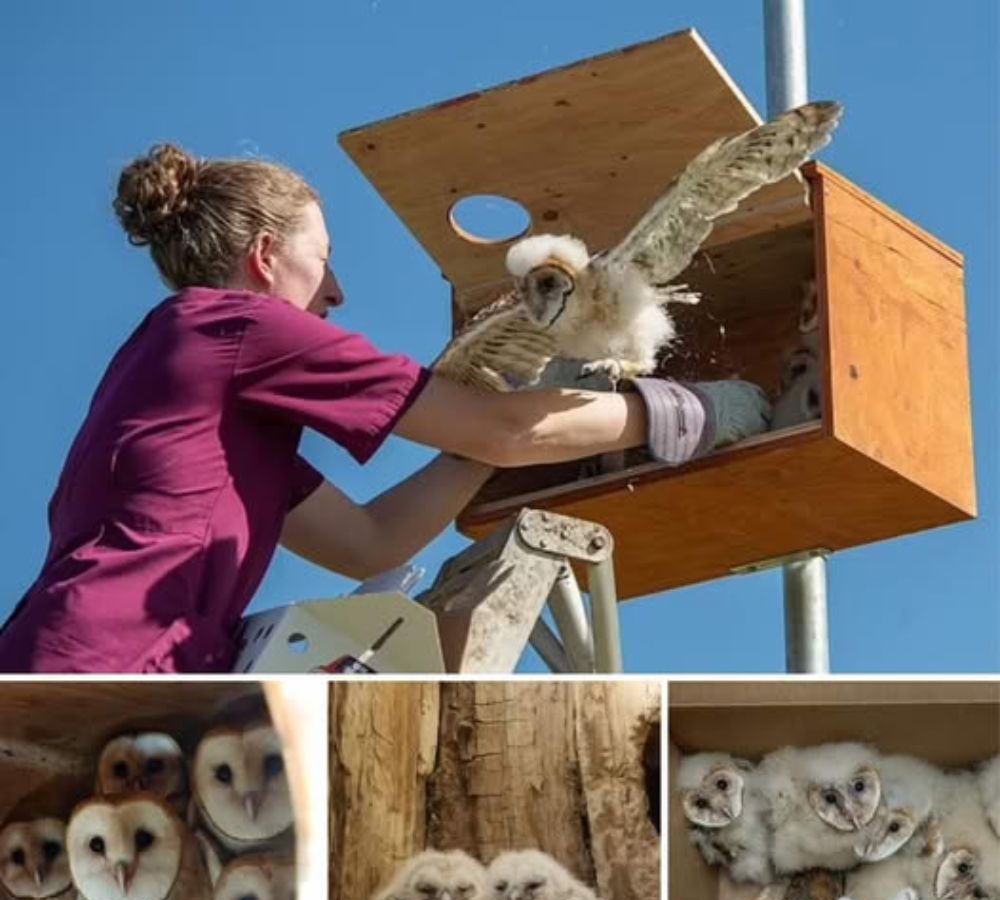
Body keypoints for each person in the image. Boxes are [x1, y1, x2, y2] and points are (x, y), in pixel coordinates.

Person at [0, 144, 768, 673]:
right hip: (107, 670)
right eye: (325, 258)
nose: (335, 292)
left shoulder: (180, 373)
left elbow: (372, 541)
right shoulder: (240, 327)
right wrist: (690, 411)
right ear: (267, 258)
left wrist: (503, 423)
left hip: (70, 664)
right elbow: (501, 433)